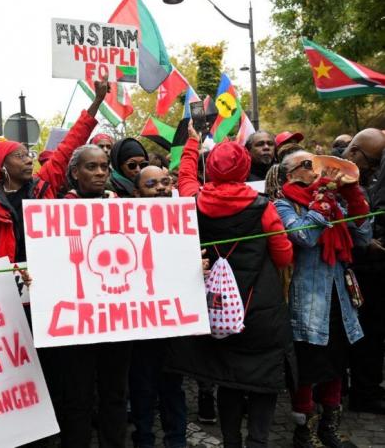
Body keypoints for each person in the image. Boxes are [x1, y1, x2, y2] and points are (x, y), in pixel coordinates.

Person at [168, 122, 294, 448]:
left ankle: (230, 442)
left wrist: (192, 143)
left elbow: (185, 180)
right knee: (263, 380)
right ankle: (258, 442)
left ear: (210, 170)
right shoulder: (263, 207)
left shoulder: (194, 202)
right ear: (245, 167)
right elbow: (283, 256)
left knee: (228, 379)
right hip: (261, 309)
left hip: (217, 310)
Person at [275, 150, 371, 447]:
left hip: (338, 299)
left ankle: (328, 428)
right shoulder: (282, 204)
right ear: (289, 175)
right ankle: (304, 432)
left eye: (315, 163)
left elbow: (363, 239)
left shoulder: (333, 201)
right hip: (307, 303)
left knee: (336, 364)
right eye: (307, 165)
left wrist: (353, 197)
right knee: (307, 369)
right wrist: (323, 199)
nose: (316, 169)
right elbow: (304, 237)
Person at [0, 79, 108, 263]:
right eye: (20, 156)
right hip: (16, 287)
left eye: (28, 154)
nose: (29, 160)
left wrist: (97, 101)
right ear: (2, 166)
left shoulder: (43, 185)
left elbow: (71, 143)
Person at [57, 144, 130, 448]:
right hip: (79, 322)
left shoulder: (122, 205)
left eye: (104, 166)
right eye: (92, 167)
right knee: (78, 397)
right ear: (75, 173)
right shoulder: (56, 211)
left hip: (117, 318)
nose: (100, 172)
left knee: (115, 394)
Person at [128, 164, 188, 448]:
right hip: (139, 323)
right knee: (142, 386)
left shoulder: (185, 220)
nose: (162, 188)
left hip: (173, 320)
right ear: (137, 193)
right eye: (152, 185)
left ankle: (176, 439)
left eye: (166, 182)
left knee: (173, 385)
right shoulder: (122, 222)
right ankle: (144, 438)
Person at [342, 128, 385, 414]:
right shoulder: (332, 175)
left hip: (370, 267)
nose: (372, 168)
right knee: (366, 334)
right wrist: (365, 241)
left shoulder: (363, 175)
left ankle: (367, 385)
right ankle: (362, 391)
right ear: (355, 152)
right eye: (372, 161)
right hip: (357, 268)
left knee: (373, 333)